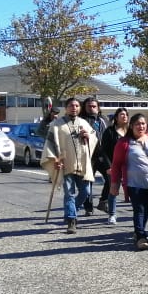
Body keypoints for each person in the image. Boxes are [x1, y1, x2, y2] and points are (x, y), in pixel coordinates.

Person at [108, 114, 148, 251]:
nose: (141, 126)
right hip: (134, 182)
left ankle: (138, 232)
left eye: (143, 123)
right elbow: (116, 164)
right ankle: (141, 236)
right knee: (139, 209)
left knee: (147, 208)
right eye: (137, 124)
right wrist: (114, 183)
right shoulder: (124, 143)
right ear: (131, 126)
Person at [41, 97, 96, 234]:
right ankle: (71, 220)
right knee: (69, 193)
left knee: (86, 192)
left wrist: (88, 136)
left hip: (82, 163)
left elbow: (94, 138)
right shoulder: (57, 125)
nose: (74, 108)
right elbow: (50, 144)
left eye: (77, 105)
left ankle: (71, 210)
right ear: (66, 108)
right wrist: (55, 159)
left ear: (80, 108)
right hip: (65, 163)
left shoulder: (84, 123)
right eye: (71, 105)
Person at [99, 108, 130, 225]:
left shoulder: (131, 131)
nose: (124, 116)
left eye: (126, 115)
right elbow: (103, 151)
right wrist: (109, 166)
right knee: (113, 189)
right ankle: (112, 214)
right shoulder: (109, 131)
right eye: (122, 114)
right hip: (114, 165)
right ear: (116, 117)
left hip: (129, 165)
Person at [82, 97, 108, 216]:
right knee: (88, 182)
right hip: (88, 156)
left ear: (98, 108)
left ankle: (103, 201)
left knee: (111, 178)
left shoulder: (104, 120)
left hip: (103, 155)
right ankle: (88, 207)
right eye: (89, 106)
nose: (92, 108)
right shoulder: (81, 120)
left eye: (94, 106)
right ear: (85, 107)